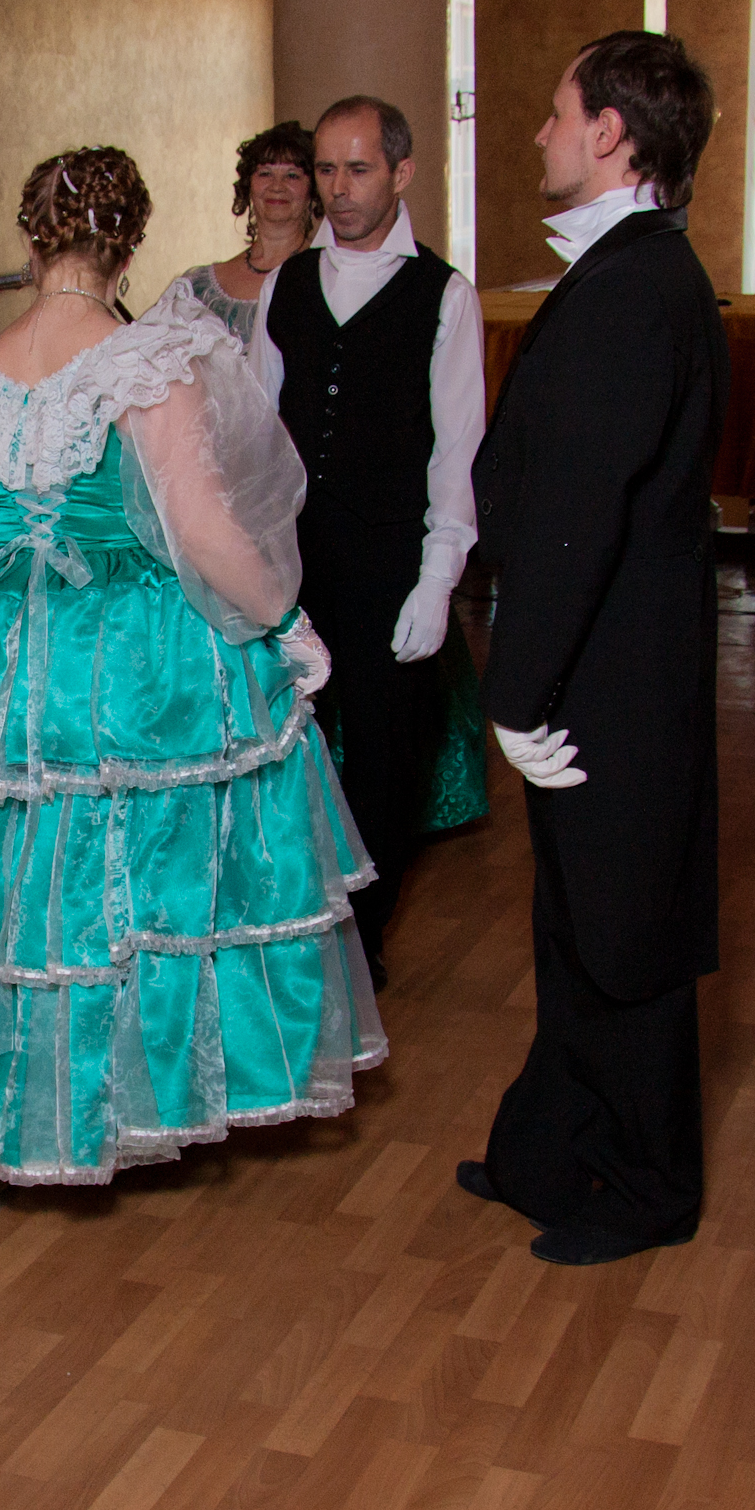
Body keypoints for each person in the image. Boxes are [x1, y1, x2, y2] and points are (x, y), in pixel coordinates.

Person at [0, 146, 379, 1182]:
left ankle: (20, 1109)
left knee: (13, 876)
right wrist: (284, 619)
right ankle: (133, 1100)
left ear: (31, 238)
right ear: (129, 244)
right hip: (122, 641)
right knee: (141, 872)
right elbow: (204, 532)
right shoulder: (147, 359)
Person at [458, 31, 727, 1268]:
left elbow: (581, 512)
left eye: (557, 111)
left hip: (611, 673)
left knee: (623, 934)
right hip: (611, 658)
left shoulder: (631, 285)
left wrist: (517, 691)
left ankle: (647, 1189)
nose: (540, 132)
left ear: (611, 134)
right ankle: (552, 1152)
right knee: (577, 921)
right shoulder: (632, 268)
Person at [249, 95, 484, 982]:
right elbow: (258, 432)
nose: (338, 189)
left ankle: (363, 936)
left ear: (401, 172)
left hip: (391, 559)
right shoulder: (287, 284)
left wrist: (437, 578)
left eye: (358, 169)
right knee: (282, 742)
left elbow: (457, 449)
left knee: (387, 759)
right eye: (326, 169)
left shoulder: (444, 294)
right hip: (297, 559)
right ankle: (287, 919)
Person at [172, 120, 317, 341]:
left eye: (292, 176)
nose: (277, 186)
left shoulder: (325, 278)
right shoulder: (199, 287)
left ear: (312, 189)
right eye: (265, 173)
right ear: (248, 184)